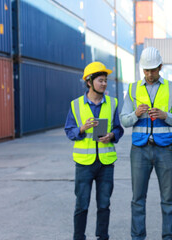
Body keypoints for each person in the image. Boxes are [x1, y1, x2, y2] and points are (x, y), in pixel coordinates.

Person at [120, 47, 172, 240]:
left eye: (153, 70)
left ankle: (168, 237)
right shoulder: (132, 89)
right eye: (146, 70)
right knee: (137, 199)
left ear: (160, 67)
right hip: (139, 150)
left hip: (165, 149)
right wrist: (136, 114)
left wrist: (167, 116)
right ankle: (138, 237)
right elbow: (124, 120)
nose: (149, 74)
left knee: (168, 199)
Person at [65, 61, 124, 240]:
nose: (104, 84)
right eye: (100, 80)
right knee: (81, 205)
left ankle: (102, 237)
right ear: (89, 82)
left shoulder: (112, 103)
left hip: (106, 164)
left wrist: (112, 135)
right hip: (84, 165)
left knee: (104, 205)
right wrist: (82, 129)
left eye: (105, 80)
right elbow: (69, 130)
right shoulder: (76, 105)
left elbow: (118, 128)